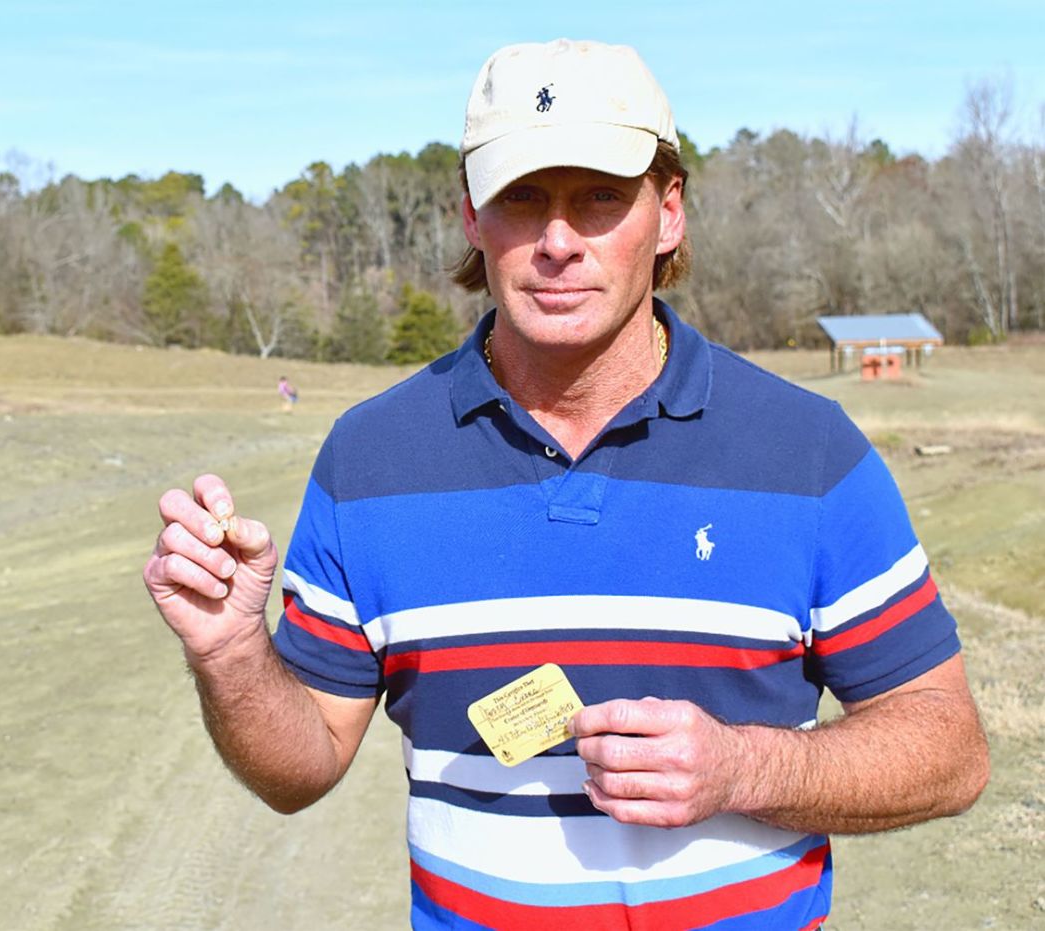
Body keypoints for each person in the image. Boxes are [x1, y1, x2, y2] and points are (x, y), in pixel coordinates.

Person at [144, 38, 989, 930]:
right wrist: (232, 652)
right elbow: (300, 767)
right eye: (522, 198)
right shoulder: (370, 459)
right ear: (473, 219)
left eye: (598, 197)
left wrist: (747, 768)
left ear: (667, 215)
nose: (557, 242)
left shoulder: (810, 451)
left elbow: (950, 749)